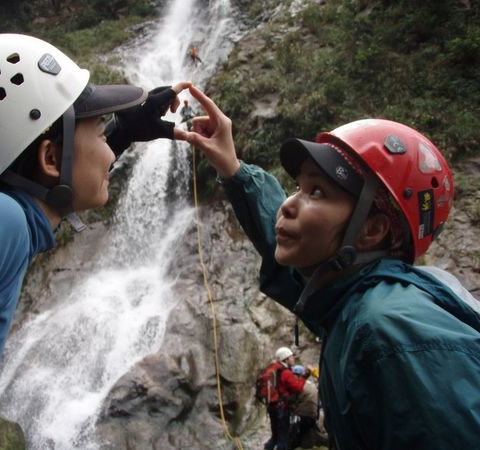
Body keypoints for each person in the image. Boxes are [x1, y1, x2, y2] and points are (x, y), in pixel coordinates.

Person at [0, 33, 191, 448]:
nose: (110, 154)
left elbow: (53, 181)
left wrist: (122, 132)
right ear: (48, 158)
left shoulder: (0, 222)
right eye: (101, 135)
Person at [179, 85, 480, 449]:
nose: (288, 205)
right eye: (297, 187)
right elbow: (291, 259)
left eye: (317, 191)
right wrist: (233, 168)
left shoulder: (391, 334)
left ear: (371, 230)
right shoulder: (352, 302)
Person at [261, 347, 307, 450]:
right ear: (285, 359)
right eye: (291, 357)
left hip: (272, 406)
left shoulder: (273, 369)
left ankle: (267, 448)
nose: (293, 359)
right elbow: (297, 388)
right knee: (283, 438)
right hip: (282, 408)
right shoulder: (286, 373)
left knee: (275, 436)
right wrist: (303, 378)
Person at [289, 365, 327, 450]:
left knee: (292, 435)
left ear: (298, 375)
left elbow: (291, 400)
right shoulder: (311, 384)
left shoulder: (299, 386)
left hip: (302, 416)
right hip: (313, 416)